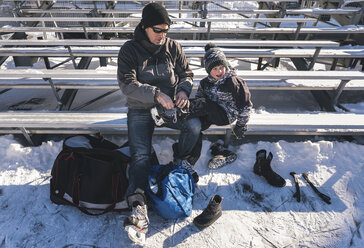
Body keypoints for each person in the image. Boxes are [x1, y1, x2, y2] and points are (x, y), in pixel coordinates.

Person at [117, 3, 202, 244]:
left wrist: (184, 91)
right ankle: (138, 205)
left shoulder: (173, 46)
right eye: (157, 30)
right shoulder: (130, 49)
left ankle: (179, 166)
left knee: (194, 126)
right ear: (144, 26)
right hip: (141, 108)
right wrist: (156, 94)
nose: (162, 35)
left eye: (165, 30)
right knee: (141, 156)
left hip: (171, 106)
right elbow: (127, 84)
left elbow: (186, 73)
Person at [153, 43, 252, 169]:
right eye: (215, 69)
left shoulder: (233, 82)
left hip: (226, 115)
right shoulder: (206, 82)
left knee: (205, 104)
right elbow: (199, 98)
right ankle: (190, 160)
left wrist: (241, 125)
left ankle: (170, 112)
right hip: (210, 113)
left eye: (221, 67)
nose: (219, 71)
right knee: (196, 126)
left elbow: (245, 105)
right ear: (208, 70)